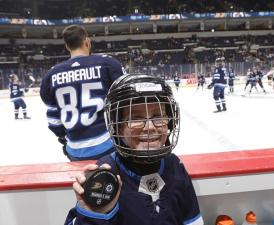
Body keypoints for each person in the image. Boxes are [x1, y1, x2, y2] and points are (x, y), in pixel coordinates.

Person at [65, 74, 203, 225]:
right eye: (135, 118)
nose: (150, 127)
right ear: (116, 125)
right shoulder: (106, 173)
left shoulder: (175, 165)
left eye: (158, 116)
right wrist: (92, 214)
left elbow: (192, 219)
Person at [40, 25, 125, 161]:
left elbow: (53, 119)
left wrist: (64, 138)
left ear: (67, 46)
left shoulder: (51, 75)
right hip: (108, 147)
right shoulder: (108, 64)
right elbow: (126, 102)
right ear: (87, 41)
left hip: (74, 150)